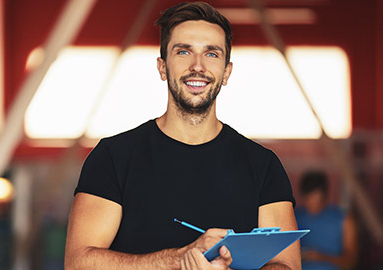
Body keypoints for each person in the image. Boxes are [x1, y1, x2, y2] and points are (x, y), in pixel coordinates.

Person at [65, 2, 300, 269]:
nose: (197, 66)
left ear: (226, 72)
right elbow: (78, 262)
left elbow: (287, 265)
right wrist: (180, 258)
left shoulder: (263, 166)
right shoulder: (113, 157)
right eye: (184, 51)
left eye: (211, 54)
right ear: (162, 67)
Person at [295, 171, 358, 270]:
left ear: (325, 197)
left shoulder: (344, 219)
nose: (312, 206)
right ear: (303, 197)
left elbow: (350, 261)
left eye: (316, 201)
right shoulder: (295, 217)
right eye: (309, 201)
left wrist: (322, 257)